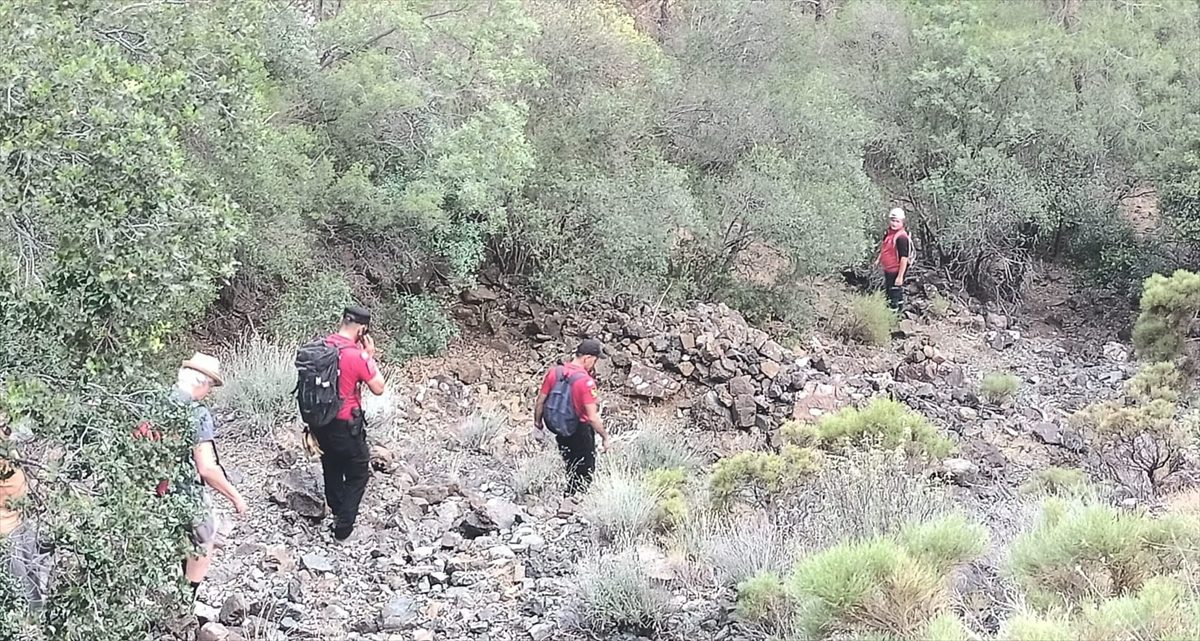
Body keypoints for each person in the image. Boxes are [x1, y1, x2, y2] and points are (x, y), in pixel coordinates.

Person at [171, 353, 248, 601]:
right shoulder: (196, 413)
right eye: (211, 385)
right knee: (204, 538)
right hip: (182, 489)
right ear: (202, 383)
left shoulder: (157, 400)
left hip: (149, 486)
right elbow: (206, 468)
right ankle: (185, 602)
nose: (210, 391)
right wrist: (235, 497)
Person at [312, 305, 385, 541]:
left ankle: (335, 508)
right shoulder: (357, 355)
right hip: (346, 424)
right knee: (359, 472)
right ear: (362, 329)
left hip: (320, 422)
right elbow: (378, 388)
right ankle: (343, 527)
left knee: (331, 463)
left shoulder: (322, 347)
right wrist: (369, 356)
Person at [533, 339, 610, 495]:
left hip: (559, 427)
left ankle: (567, 497)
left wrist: (538, 425)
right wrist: (605, 437)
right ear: (587, 358)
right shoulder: (585, 382)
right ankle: (574, 501)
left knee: (570, 463)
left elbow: (540, 401)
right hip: (579, 431)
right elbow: (592, 417)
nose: (594, 365)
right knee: (585, 468)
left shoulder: (555, 372)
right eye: (594, 360)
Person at [878, 207, 912, 311]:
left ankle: (893, 318)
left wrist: (900, 276)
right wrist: (879, 259)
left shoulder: (901, 237)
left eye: (897, 221)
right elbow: (885, 248)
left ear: (902, 222)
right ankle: (899, 315)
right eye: (893, 220)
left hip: (896, 270)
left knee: (893, 295)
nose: (894, 224)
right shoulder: (889, 234)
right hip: (888, 269)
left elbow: (904, 258)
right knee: (893, 292)